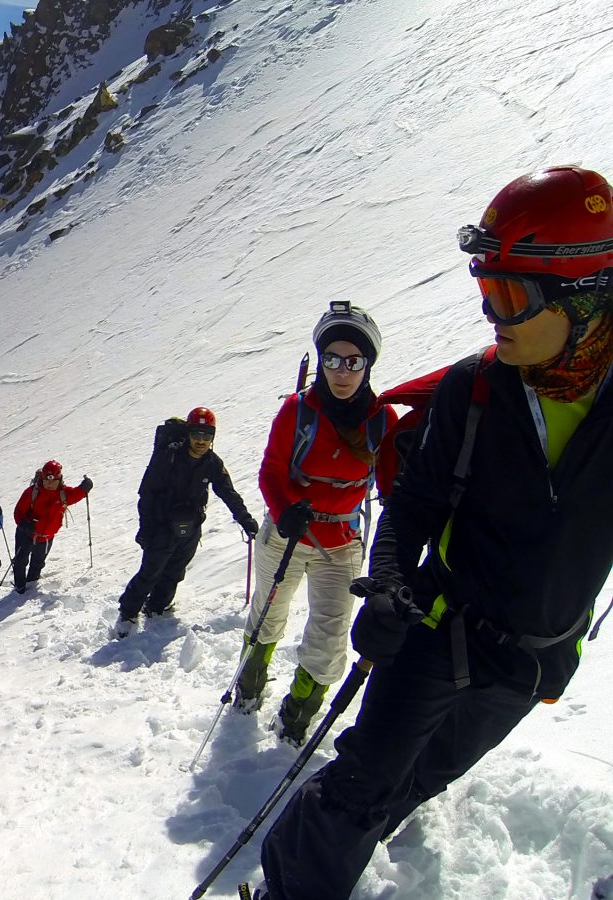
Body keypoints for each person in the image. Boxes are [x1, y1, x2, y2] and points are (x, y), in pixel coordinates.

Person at [255, 166, 613, 899]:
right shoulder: (475, 389)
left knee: (420, 777)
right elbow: (413, 505)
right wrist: (386, 585)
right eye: (486, 293)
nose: (493, 316)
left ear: (587, 297)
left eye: (511, 296)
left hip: (533, 663)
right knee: (360, 782)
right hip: (438, 627)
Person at [237, 300, 399, 746]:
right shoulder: (298, 410)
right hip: (288, 533)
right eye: (332, 360)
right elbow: (271, 468)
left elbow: (392, 486)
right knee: (268, 615)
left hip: (341, 543)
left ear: (367, 364)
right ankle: (249, 687)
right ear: (321, 361)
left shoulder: (383, 420)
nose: (341, 371)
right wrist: (285, 507)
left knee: (329, 640)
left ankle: (297, 714)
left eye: (353, 361)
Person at [113, 408, 259, 638]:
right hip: (161, 524)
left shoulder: (212, 462)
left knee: (175, 570)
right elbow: (147, 493)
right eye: (197, 434)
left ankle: (157, 607)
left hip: (190, 527)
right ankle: (128, 612)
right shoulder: (169, 456)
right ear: (189, 434)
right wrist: (146, 528)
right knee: (151, 571)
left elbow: (228, 493)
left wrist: (246, 520)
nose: (201, 441)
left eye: (207, 435)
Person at [10, 460, 92, 594]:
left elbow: (76, 494)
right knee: (20, 561)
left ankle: (31, 583)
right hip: (26, 534)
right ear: (42, 478)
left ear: (59, 479)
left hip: (46, 537)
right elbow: (18, 512)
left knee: (38, 562)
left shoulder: (63, 493)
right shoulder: (31, 493)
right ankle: (19, 588)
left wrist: (85, 488)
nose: (49, 483)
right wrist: (24, 525)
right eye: (47, 480)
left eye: (53, 480)